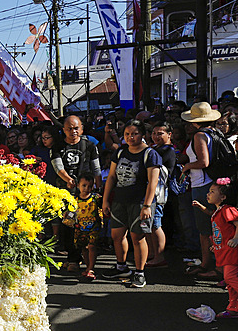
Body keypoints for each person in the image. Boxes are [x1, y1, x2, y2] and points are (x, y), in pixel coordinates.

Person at [102, 120, 162, 288]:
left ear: (143, 134)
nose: (130, 137)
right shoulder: (120, 152)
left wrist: (147, 206)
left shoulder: (150, 154)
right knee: (117, 235)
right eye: (127, 134)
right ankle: (121, 266)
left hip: (140, 202)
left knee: (138, 237)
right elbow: (112, 177)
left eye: (134, 133)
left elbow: (153, 182)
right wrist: (106, 199)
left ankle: (140, 272)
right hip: (119, 200)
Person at [53, 115, 102, 271]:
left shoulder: (89, 146)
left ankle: (81, 259)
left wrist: (99, 188)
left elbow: (96, 168)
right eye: (69, 128)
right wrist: (68, 179)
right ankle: (72, 257)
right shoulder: (58, 146)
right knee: (67, 225)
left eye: (76, 128)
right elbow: (58, 166)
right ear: (64, 130)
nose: (73, 131)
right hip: (66, 192)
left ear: (81, 128)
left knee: (84, 226)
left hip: (86, 193)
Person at [181, 101, 220, 279]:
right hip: (212, 183)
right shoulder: (214, 132)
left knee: (205, 230)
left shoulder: (199, 136)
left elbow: (204, 162)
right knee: (213, 228)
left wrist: (187, 165)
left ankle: (208, 265)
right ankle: (214, 264)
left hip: (202, 184)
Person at [192, 178, 238, 319]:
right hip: (224, 251)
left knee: (230, 278)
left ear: (223, 197)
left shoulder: (228, 210)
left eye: (212, 192)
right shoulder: (219, 211)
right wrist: (216, 245)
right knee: (229, 282)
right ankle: (233, 308)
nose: (208, 194)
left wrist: (236, 238)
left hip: (232, 251)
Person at [147, 120, 177, 268]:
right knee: (150, 224)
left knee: (156, 224)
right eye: (154, 133)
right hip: (150, 192)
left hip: (158, 193)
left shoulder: (167, 151)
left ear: (169, 134)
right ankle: (152, 254)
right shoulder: (155, 148)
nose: (156, 136)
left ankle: (159, 257)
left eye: (160, 133)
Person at [69, 174, 103, 281]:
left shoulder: (96, 198)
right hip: (80, 228)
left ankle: (91, 268)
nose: (86, 189)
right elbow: (70, 212)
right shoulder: (74, 199)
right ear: (78, 185)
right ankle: (88, 266)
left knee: (92, 246)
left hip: (94, 227)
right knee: (83, 247)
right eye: (84, 185)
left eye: (89, 186)